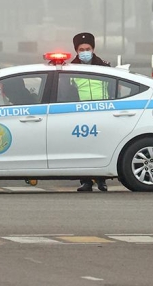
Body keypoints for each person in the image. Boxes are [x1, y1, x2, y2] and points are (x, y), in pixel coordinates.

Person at [70, 32, 109, 193]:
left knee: (102, 146)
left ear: (93, 49)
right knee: (83, 147)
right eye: (81, 49)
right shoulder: (71, 68)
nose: (85, 52)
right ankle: (86, 181)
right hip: (81, 113)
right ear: (76, 51)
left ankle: (102, 180)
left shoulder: (104, 67)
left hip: (102, 112)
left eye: (88, 49)